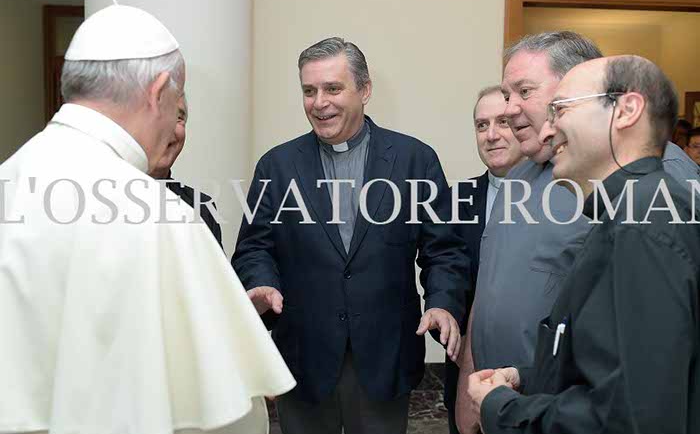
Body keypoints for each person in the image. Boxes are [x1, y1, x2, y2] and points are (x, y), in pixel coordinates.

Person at [0, 3, 294, 434]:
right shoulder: (163, 219)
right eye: (177, 104)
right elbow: (224, 415)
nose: (175, 126)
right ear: (158, 93)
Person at [455, 31, 700, 434]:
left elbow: (636, 410)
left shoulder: (648, 213)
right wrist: (524, 379)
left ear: (625, 111)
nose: (548, 130)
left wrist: (504, 410)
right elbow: (600, 356)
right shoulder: (606, 200)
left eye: (562, 108)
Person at [232, 37, 469, 434]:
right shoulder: (277, 166)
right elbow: (255, 247)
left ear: (365, 90)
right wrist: (262, 282)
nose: (319, 102)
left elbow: (443, 250)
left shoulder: (414, 160)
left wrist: (443, 302)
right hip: (303, 358)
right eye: (309, 91)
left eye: (332, 88)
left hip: (385, 358)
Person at [444, 86, 523, 434]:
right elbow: (445, 272)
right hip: (465, 369)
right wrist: (455, 335)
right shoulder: (456, 200)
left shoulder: (564, 195)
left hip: (533, 375)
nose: (491, 135)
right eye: (481, 125)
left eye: (503, 122)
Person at [149, 95, 223, 247]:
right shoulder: (105, 199)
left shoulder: (201, 208)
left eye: (178, 118)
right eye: (159, 115)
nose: (169, 128)